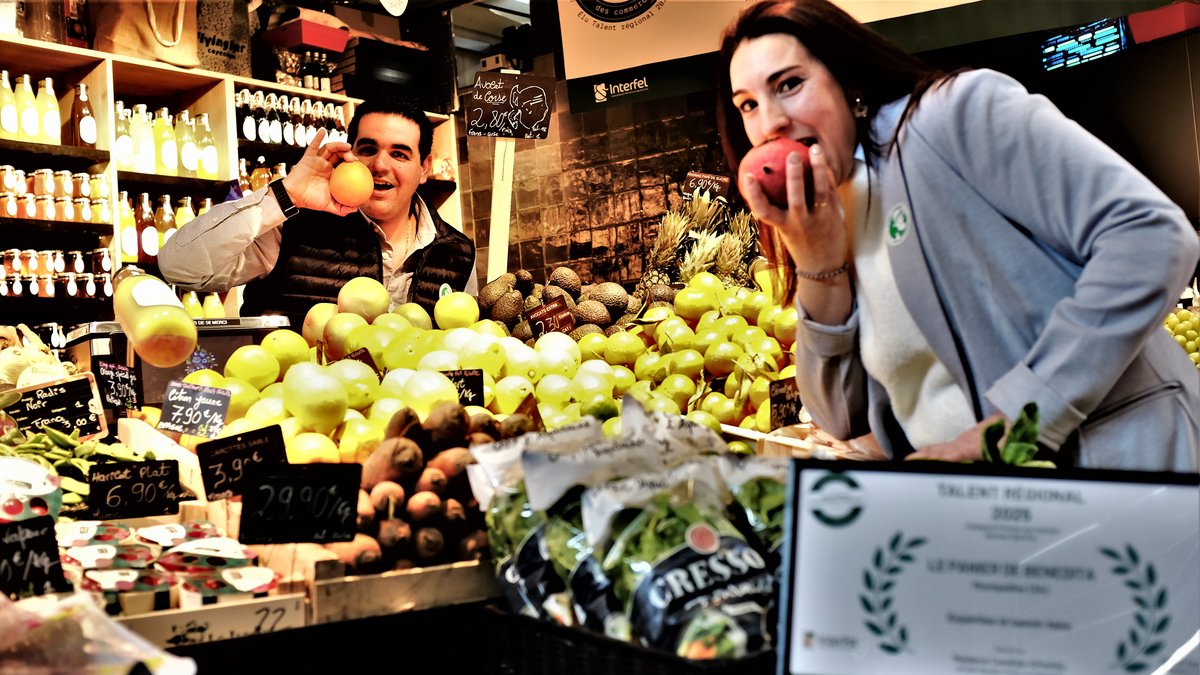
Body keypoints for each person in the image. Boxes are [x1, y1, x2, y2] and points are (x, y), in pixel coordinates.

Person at [718, 0, 1200, 471]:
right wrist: (819, 264)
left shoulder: (951, 116)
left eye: (790, 84)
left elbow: (1150, 235)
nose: (770, 122)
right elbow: (840, 417)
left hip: (1127, 474)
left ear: (848, 80)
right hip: (1001, 520)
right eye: (748, 105)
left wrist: (1011, 424)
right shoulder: (829, 214)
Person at [159, 95, 477, 327]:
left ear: (424, 168)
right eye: (368, 149)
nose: (381, 165)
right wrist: (285, 196)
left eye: (399, 154)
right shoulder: (294, 226)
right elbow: (178, 266)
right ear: (349, 154)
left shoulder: (457, 252)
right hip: (296, 407)